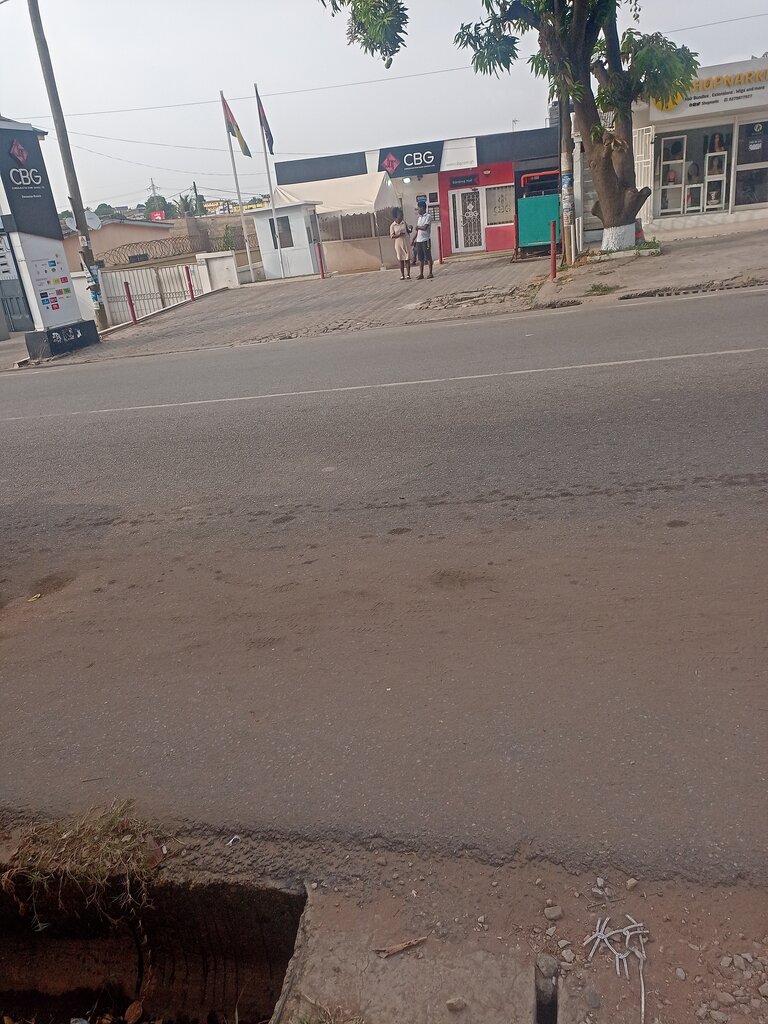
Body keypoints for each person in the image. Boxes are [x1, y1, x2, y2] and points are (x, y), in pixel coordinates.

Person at [413, 201, 434, 280]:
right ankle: (421, 274)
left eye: (418, 208)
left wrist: (418, 227)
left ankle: (430, 272)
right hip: (419, 240)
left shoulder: (428, 216)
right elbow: (418, 230)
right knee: (420, 258)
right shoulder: (419, 217)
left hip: (426, 240)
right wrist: (414, 239)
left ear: (422, 208)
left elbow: (424, 227)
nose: (418, 210)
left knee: (428, 256)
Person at [389, 208, 412, 280]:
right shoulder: (393, 225)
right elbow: (392, 236)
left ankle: (408, 274)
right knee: (400, 259)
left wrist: (410, 229)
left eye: (402, 215)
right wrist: (399, 234)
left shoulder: (404, 223)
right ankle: (402, 275)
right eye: (400, 215)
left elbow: (408, 231)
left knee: (407, 258)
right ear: (395, 216)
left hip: (406, 242)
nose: (401, 216)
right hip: (398, 244)